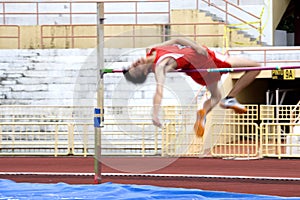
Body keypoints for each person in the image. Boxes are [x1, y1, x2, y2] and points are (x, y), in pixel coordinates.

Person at [123, 38, 260, 137]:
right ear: (145, 72)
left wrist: (195, 47)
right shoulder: (160, 66)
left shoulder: (151, 50)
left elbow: (176, 39)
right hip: (208, 60)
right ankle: (229, 98)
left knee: (216, 96)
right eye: (136, 68)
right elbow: (159, 91)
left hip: (200, 72)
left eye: (132, 65)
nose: (135, 63)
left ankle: (203, 114)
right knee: (255, 67)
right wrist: (154, 114)